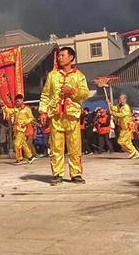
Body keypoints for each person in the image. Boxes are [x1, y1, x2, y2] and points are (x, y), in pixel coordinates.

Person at [39, 47, 90, 185]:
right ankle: (57, 174)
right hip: (56, 115)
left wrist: (72, 91)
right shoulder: (52, 75)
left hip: (72, 115)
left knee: (74, 146)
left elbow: (85, 93)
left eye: (62, 55)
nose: (59, 58)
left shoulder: (79, 75)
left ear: (71, 57)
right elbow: (45, 95)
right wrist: (43, 111)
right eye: (59, 56)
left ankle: (76, 174)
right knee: (56, 146)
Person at [2, 94, 36, 165]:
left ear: (21, 101)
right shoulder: (16, 109)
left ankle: (19, 158)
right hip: (16, 129)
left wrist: (25, 122)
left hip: (22, 129)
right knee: (23, 143)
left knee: (17, 144)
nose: (16, 103)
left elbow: (31, 118)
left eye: (18, 101)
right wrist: (4, 106)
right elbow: (9, 111)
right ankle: (30, 157)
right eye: (16, 101)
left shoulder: (27, 109)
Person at [110, 94, 139, 158]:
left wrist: (113, 113)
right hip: (123, 127)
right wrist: (110, 104)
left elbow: (122, 114)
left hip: (127, 126)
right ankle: (135, 153)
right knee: (128, 142)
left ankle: (133, 151)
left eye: (121, 99)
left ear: (125, 99)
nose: (119, 100)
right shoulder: (119, 106)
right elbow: (115, 108)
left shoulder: (126, 107)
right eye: (119, 98)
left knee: (121, 141)